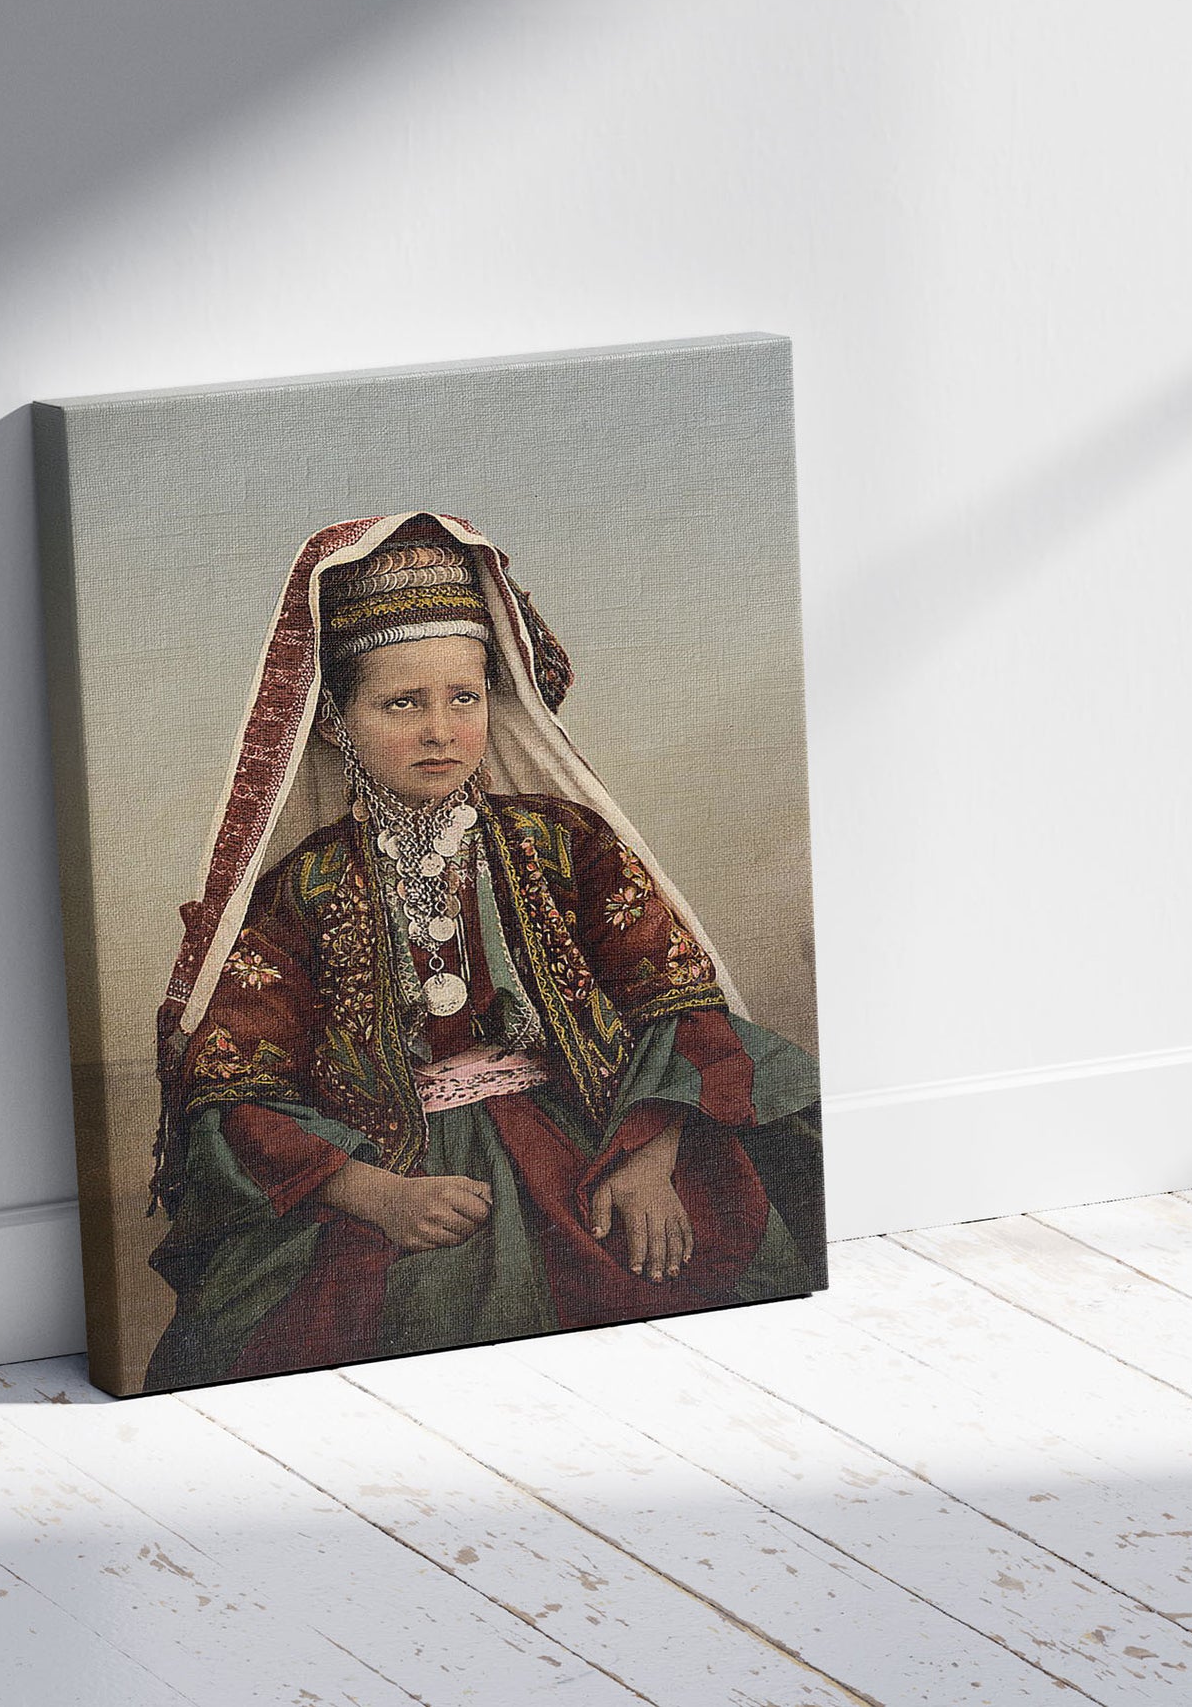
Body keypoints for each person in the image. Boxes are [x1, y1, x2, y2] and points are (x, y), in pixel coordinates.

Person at [144, 513, 823, 1388]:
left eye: (463, 698)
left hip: (597, 1138)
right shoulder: (302, 892)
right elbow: (234, 1079)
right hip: (390, 1168)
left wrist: (650, 1158)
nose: (440, 729)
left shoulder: (564, 842)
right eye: (402, 703)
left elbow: (676, 1000)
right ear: (336, 722)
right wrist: (370, 1193)